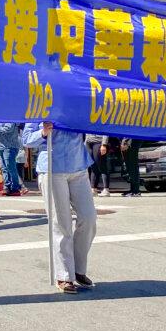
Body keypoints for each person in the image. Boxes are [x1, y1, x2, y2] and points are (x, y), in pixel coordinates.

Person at [22, 122, 97, 294]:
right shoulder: (39, 106)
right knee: (61, 224)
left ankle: (77, 269)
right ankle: (64, 275)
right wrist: (42, 132)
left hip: (78, 166)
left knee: (89, 218)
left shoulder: (77, 103)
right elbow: (26, 139)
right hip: (52, 167)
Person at [0, 122, 24, 196]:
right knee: (4, 168)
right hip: (1, 147)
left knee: (10, 167)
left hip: (10, 146)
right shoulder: (0, 120)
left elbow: (8, 129)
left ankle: (15, 188)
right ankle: (7, 187)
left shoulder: (10, 118)